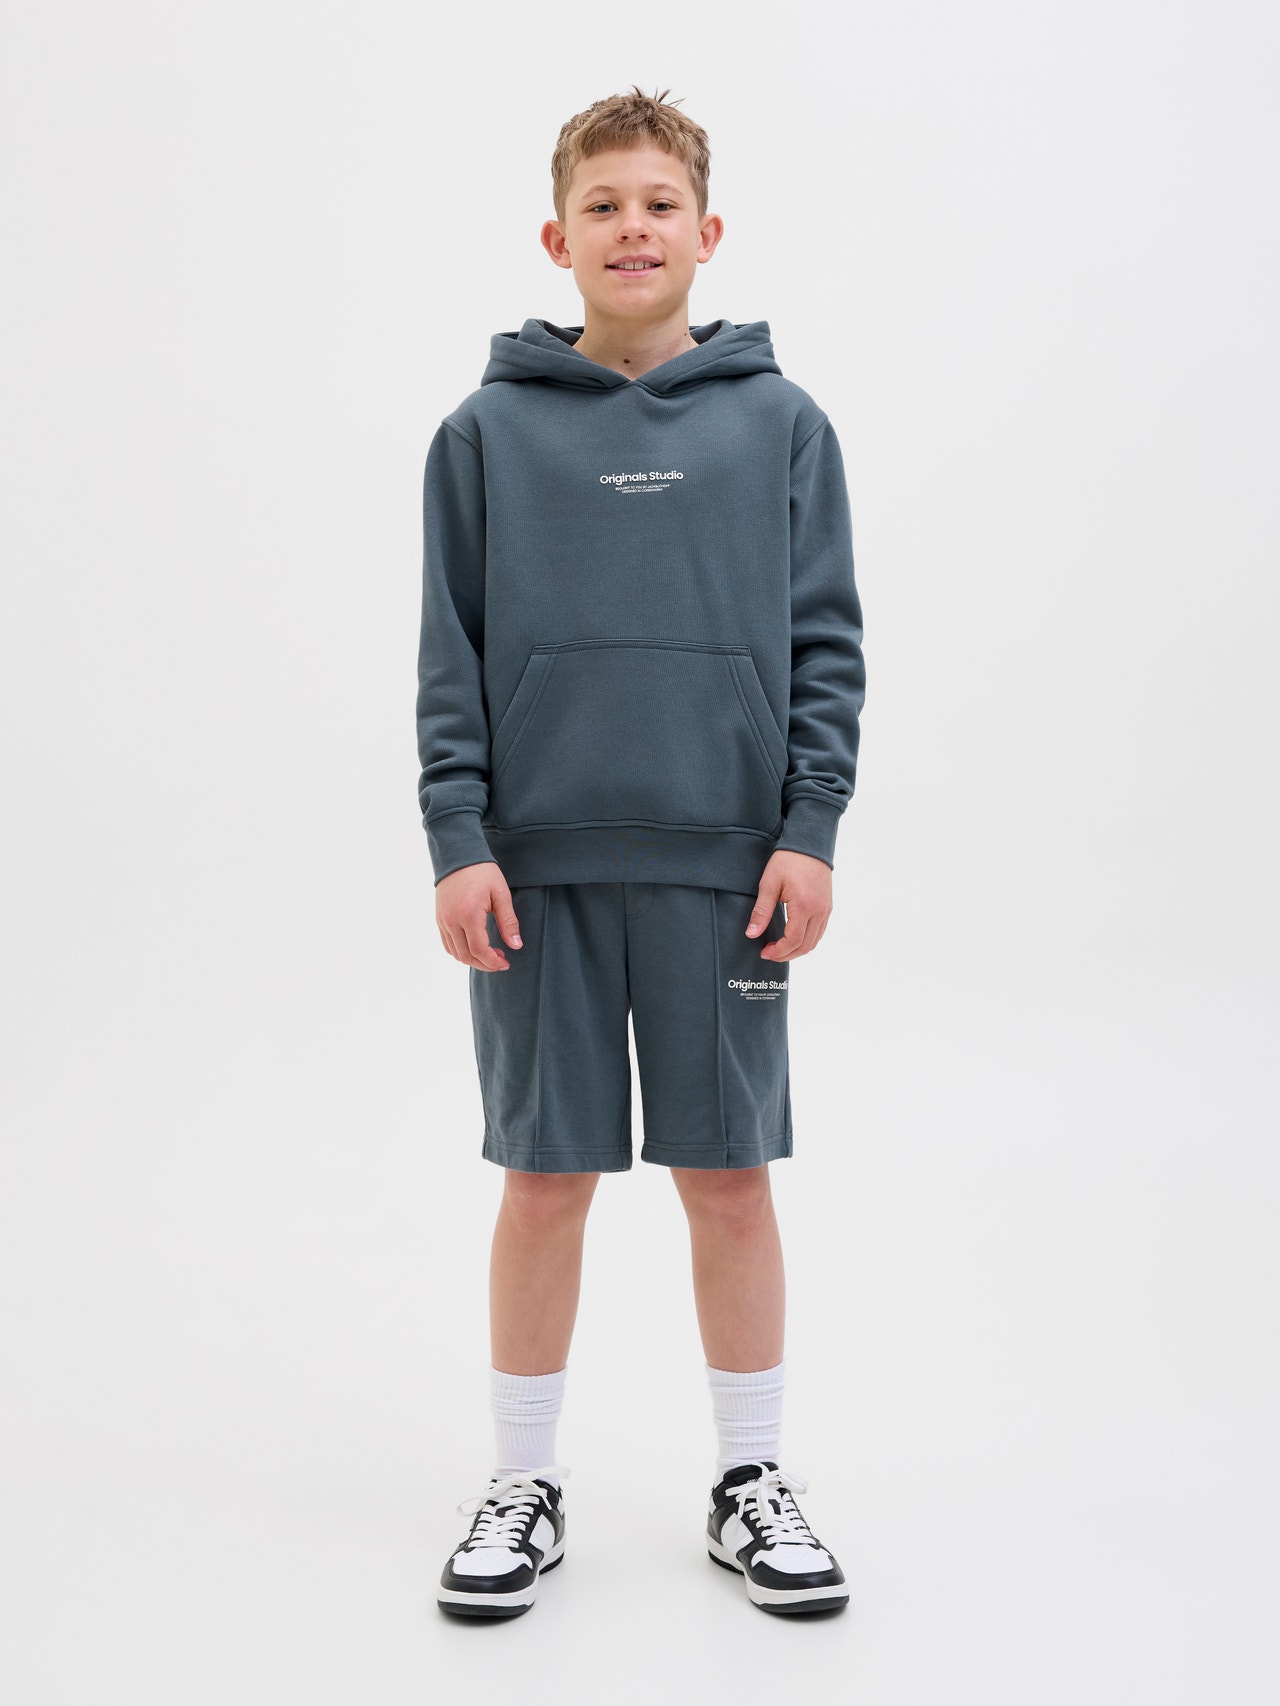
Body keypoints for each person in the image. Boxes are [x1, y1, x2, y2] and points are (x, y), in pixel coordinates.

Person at [416, 85, 866, 1619]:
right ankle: (522, 1480)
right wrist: (458, 836)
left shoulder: (781, 426)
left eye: (658, 203)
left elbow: (825, 643)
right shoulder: (483, 433)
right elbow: (449, 652)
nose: (632, 227)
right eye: (602, 205)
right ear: (557, 238)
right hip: (532, 873)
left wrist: (809, 829)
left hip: (728, 870)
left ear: (707, 231)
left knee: (729, 1177)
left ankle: (752, 1475)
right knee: (545, 1178)